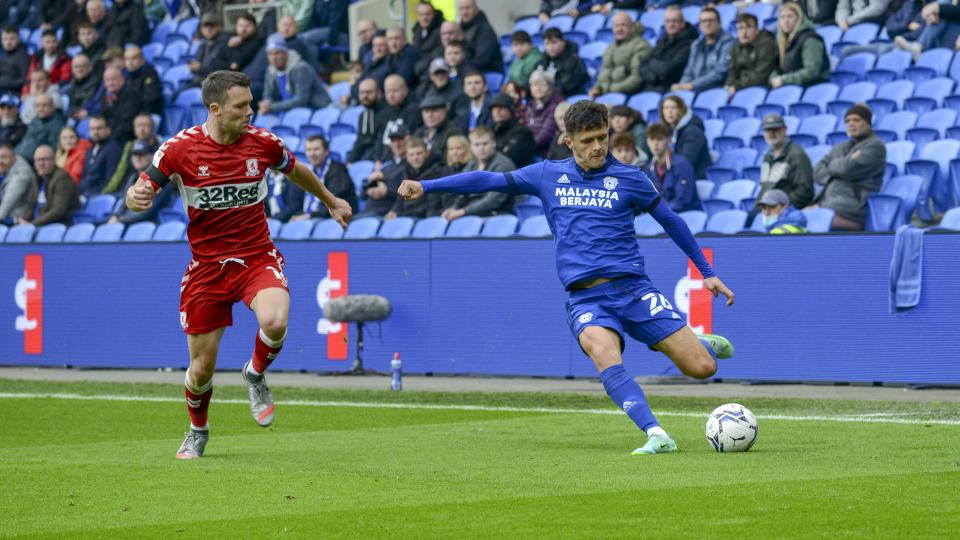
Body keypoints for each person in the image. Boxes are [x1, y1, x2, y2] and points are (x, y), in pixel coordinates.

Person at [398, 100, 735, 455]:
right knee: (604, 353)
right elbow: (488, 179)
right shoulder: (547, 175)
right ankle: (656, 434)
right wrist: (428, 186)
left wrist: (707, 273)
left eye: (602, 137)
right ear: (568, 141)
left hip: (634, 289)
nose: (597, 147)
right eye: (588, 140)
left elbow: (672, 221)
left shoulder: (631, 178)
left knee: (702, 367)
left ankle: (698, 342)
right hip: (586, 297)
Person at [124, 71, 353, 459]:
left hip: (255, 256)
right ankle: (198, 430)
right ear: (214, 109)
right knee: (201, 371)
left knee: (275, 321)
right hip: (207, 268)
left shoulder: (262, 143)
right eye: (241, 106)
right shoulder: (180, 149)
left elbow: (296, 169)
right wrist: (135, 196)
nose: (251, 111)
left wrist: (330, 200)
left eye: (251, 103)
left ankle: (255, 372)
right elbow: (139, 191)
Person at [808, 104, 885, 231]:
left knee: (803, 221)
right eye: (847, 121)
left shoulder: (875, 146)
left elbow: (847, 169)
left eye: (857, 120)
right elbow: (817, 171)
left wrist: (833, 165)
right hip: (827, 205)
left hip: (851, 211)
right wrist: (841, 164)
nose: (851, 124)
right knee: (792, 219)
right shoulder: (843, 146)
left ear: (868, 124)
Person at [274, 135, 358, 222]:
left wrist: (309, 216)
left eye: (316, 149)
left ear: (326, 151)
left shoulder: (337, 171)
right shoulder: (309, 171)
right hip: (315, 217)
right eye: (308, 150)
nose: (312, 154)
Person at [439, 126, 516, 220]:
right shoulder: (471, 165)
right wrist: (454, 208)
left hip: (499, 215)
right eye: (477, 145)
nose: (481, 148)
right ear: (471, 147)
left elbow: (493, 200)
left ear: (493, 143)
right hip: (474, 214)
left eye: (485, 144)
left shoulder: (503, 165)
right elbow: (462, 191)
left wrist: (464, 211)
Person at [756, 114, 814, 219]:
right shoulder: (767, 157)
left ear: (784, 130)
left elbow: (805, 191)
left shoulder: (797, 155)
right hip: (766, 209)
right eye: (767, 130)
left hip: (784, 212)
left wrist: (780, 206)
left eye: (775, 129)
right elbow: (764, 189)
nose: (771, 133)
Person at [259, 37, 331, 114]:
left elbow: (301, 100)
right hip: (291, 110)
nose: (274, 58)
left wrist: (272, 107)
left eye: (277, 53)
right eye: (270, 54)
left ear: (285, 53)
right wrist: (266, 105)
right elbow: (267, 95)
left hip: (317, 109)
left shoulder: (301, 68)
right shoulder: (270, 70)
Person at [588, 12, 651, 98]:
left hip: (627, 95)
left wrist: (609, 89)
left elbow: (637, 78)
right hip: (607, 93)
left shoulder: (641, 45)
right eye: (616, 26)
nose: (619, 29)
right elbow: (604, 72)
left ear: (632, 27)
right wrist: (596, 88)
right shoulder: (610, 47)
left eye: (623, 25)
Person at [673, 7, 735, 93]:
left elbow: (720, 73)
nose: (707, 24)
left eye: (710, 20)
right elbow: (688, 72)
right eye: (704, 21)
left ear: (719, 23)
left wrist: (692, 85)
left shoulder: (727, 42)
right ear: (700, 25)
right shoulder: (696, 45)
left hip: (715, 90)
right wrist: (681, 86)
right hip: (694, 90)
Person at [638, 6, 699, 93]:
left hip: (670, 90)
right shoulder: (662, 41)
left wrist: (652, 63)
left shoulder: (689, 43)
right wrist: (654, 77)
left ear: (682, 23)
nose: (671, 24)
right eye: (668, 21)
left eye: (675, 21)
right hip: (651, 86)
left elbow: (669, 70)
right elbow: (642, 66)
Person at [769, 3, 830, 89]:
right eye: (782, 17)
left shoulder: (810, 39)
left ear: (799, 19)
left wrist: (784, 80)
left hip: (813, 87)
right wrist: (773, 78)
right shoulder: (781, 42)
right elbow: (776, 68)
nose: (786, 21)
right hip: (791, 87)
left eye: (790, 16)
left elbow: (812, 71)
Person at [642, 123, 700, 213]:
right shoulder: (649, 168)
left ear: (669, 141)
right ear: (647, 142)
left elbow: (683, 201)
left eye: (660, 139)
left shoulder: (682, 165)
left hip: (686, 216)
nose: (655, 144)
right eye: (652, 140)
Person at [385, 135, 444, 219]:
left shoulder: (437, 170)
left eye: (419, 153)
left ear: (427, 153)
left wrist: (401, 215)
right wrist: (394, 211)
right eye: (411, 155)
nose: (415, 157)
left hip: (425, 218)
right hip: (407, 216)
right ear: (407, 157)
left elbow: (433, 203)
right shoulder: (406, 170)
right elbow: (400, 198)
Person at [24, 144, 79, 226]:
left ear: (54, 160)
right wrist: (23, 221)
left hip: (56, 227)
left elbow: (58, 211)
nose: (41, 164)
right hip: (37, 225)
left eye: (45, 160)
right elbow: (31, 207)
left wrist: (32, 224)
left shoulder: (62, 179)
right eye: (38, 160)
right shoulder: (37, 179)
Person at [724, 13, 777, 95]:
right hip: (741, 86)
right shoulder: (736, 46)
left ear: (756, 30)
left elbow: (761, 76)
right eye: (740, 28)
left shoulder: (766, 43)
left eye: (748, 27)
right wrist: (728, 85)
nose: (744, 32)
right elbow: (732, 72)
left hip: (762, 88)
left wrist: (737, 86)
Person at [659, 95, 710, 180]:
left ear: (682, 110)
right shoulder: (669, 131)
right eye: (666, 108)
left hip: (692, 179)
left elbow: (687, 163)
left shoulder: (693, 132)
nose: (669, 111)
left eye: (674, 108)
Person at [76, 115, 122, 198]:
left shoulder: (113, 149)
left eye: (99, 128)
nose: (95, 132)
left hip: (97, 195)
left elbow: (109, 180)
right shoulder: (90, 149)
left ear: (108, 130)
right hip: (84, 193)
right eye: (92, 129)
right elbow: (85, 176)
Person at [537, 27, 590, 98]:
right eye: (547, 43)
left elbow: (566, 87)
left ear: (563, 42)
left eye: (554, 42)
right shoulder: (543, 59)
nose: (551, 47)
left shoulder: (574, 61)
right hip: (546, 97)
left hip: (568, 98)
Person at [457, 0, 503, 74]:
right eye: (461, 9)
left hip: (486, 73)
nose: (464, 13)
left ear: (476, 9)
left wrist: (464, 68)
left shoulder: (485, 29)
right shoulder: (460, 29)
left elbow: (483, 59)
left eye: (468, 8)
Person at [15, 94, 66, 159]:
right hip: (18, 156)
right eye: (37, 106)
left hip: (32, 160)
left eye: (44, 105)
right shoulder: (34, 120)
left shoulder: (57, 124)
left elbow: (53, 148)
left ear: (52, 106)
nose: (40, 109)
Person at [526, 69, 563, 156]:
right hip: (531, 149)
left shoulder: (556, 105)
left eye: (542, 85)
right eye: (535, 85)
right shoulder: (530, 105)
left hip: (547, 153)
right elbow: (525, 131)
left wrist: (524, 148)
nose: (538, 88)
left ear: (550, 88)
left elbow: (544, 137)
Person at [0, 143, 37, 222]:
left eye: (4, 157)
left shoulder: (22, 172)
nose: (0, 161)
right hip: (10, 218)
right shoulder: (7, 168)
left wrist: (0, 217)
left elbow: (10, 198)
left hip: (20, 220)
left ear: (13, 157)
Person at [123, 46, 163, 115]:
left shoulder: (150, 74)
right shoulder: (125, 76)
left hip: (147, 114)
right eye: (127, 59)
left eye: (134, 58)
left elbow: (151, 98)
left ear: (142, 60)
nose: (130, 62)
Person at [459, 70, 493, 134]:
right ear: (464, 89)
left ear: (485, 87)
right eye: (469, 83)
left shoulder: (492, 106)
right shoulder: (462, 108)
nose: (472, 87)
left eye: (477, 83)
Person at [0, 26, 31, 95]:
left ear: (18, 39)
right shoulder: (2, 56)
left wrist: (8, 84)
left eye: (12, 39)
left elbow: (26, 79)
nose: (8, 42)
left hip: (13, 93)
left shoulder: (23, 56)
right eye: (5, 39)